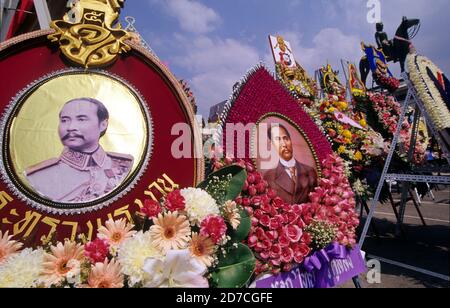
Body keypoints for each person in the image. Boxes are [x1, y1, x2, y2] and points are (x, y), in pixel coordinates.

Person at [25, 98, 134, 203]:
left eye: (81, 119)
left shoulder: (125, 165)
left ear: (103, 124)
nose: (70, 127)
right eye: (64, 120)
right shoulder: (37, 176)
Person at [263, 124, 318, 204]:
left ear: (291, 141)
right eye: (278, 140)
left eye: (286, 138)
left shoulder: (310, 172)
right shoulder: (269, 177)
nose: (284, 144)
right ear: (272, 145)